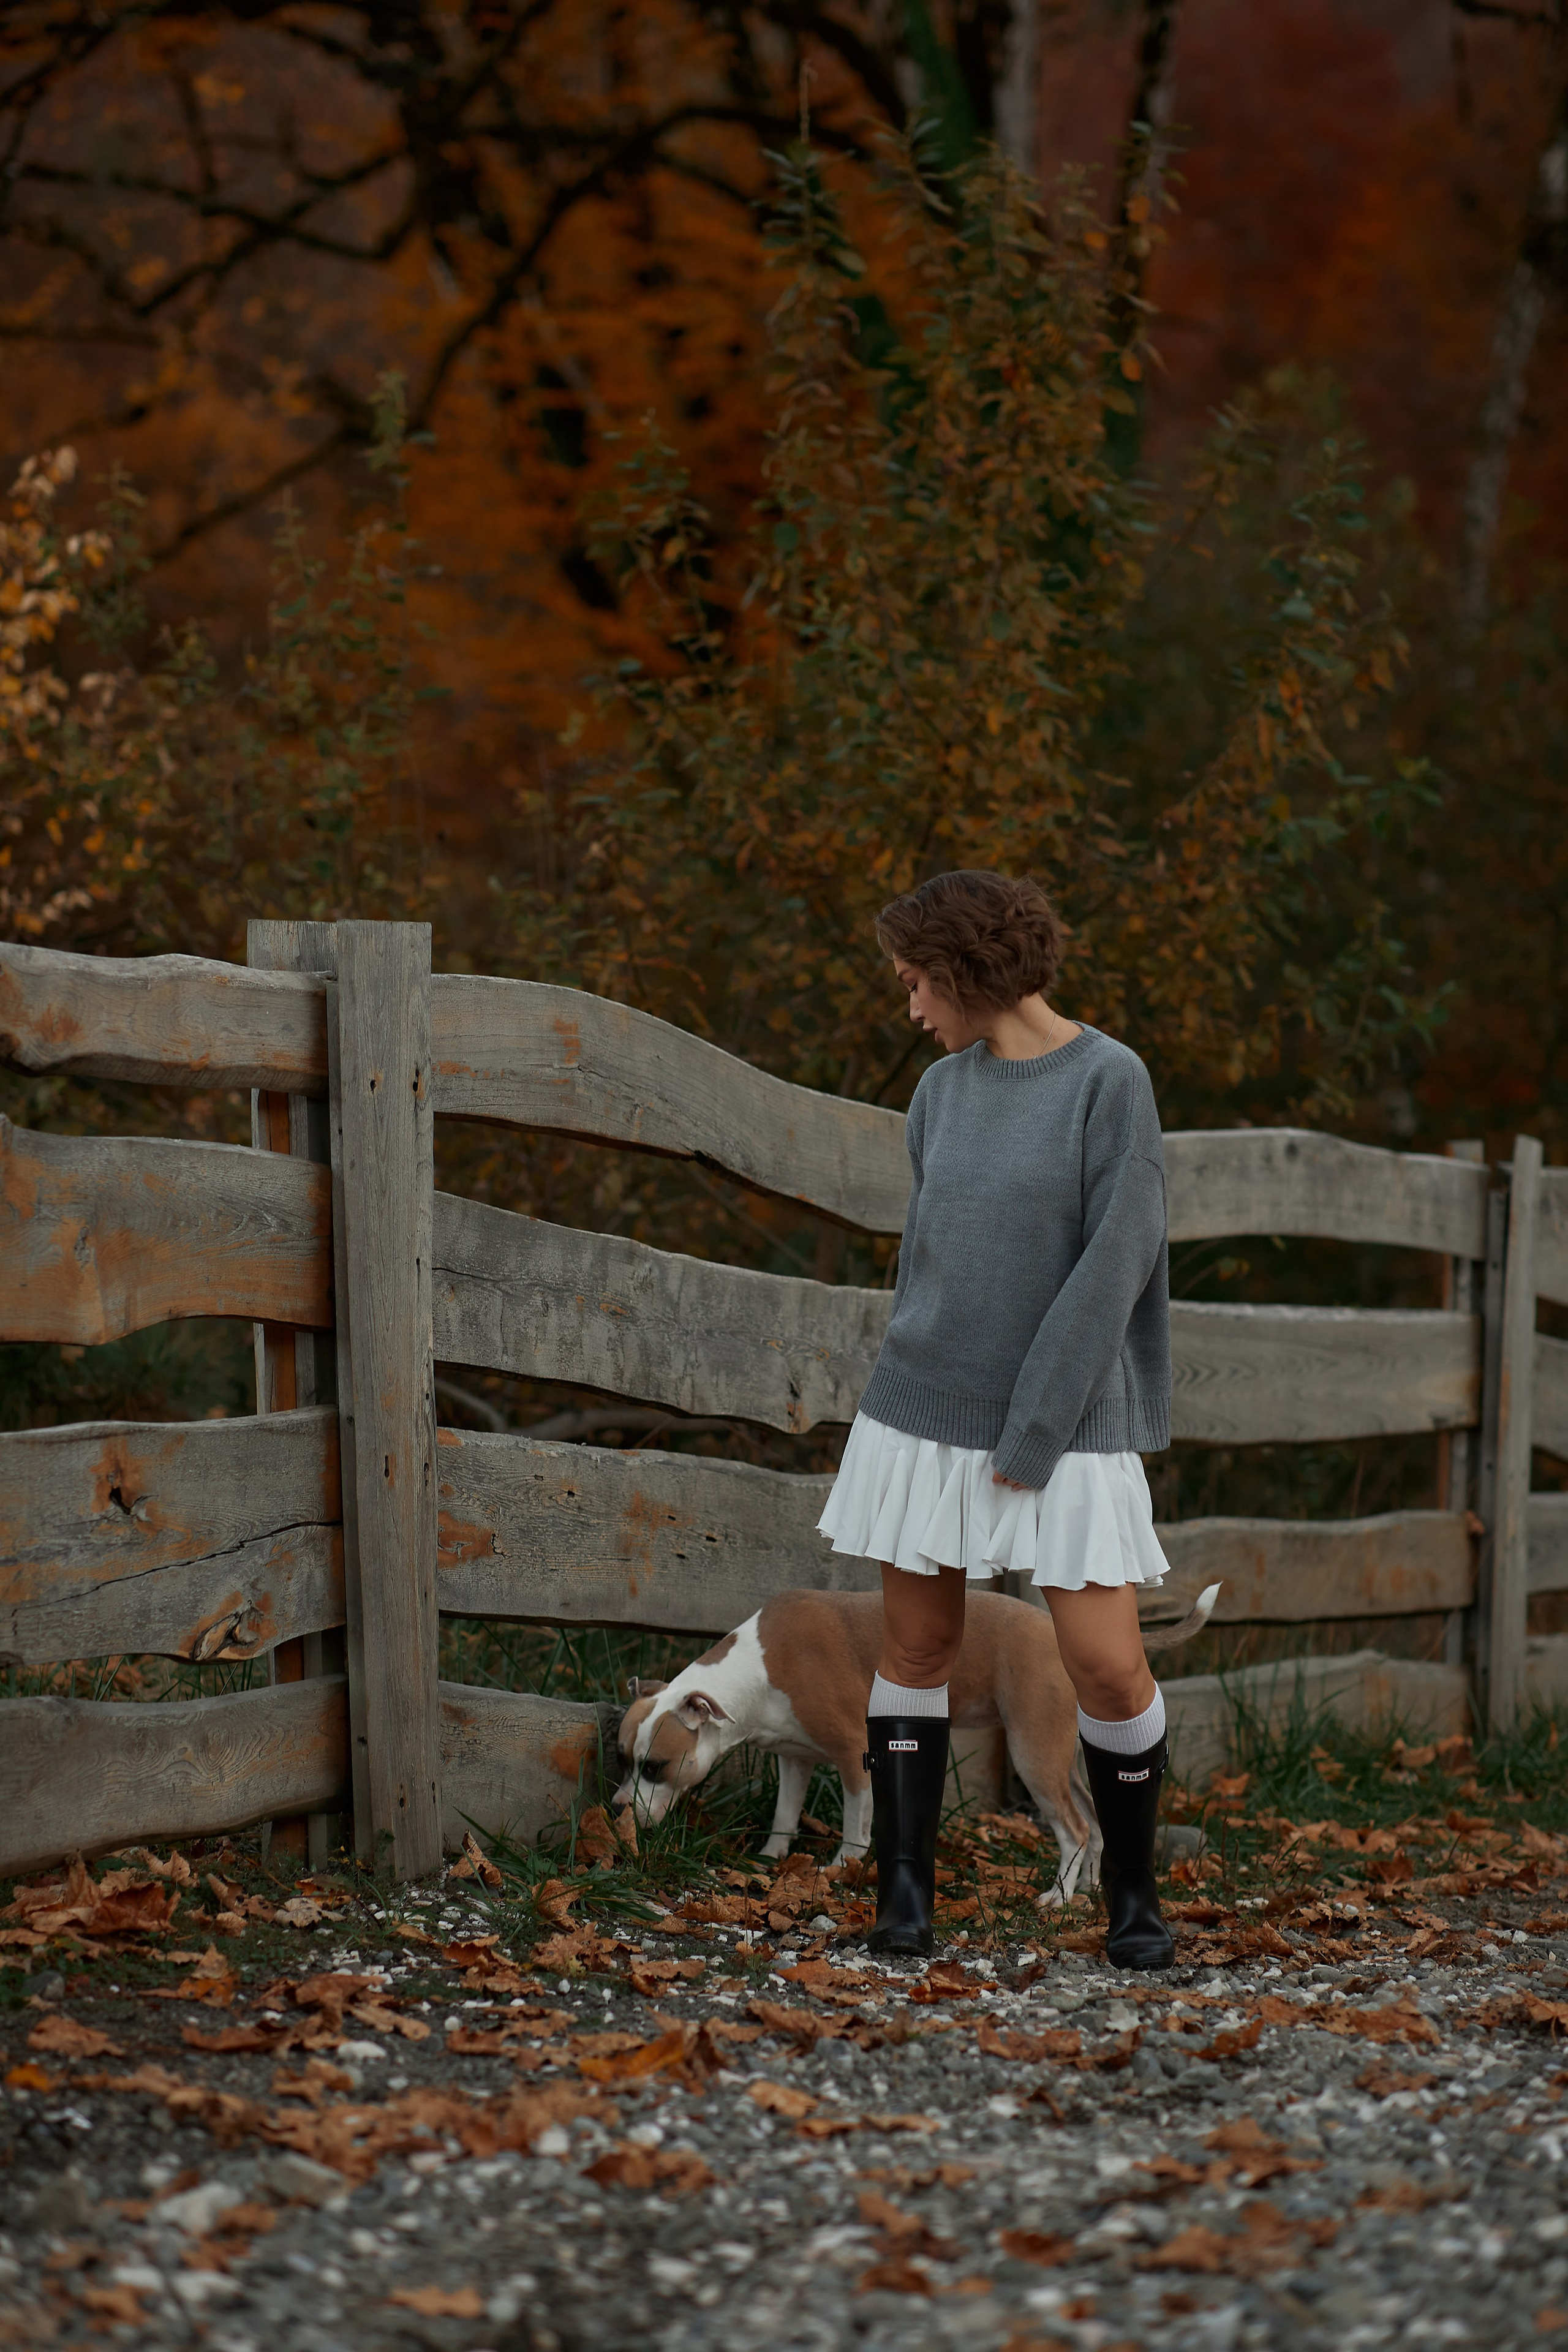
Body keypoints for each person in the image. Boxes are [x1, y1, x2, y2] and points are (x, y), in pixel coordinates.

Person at [817, 869, 1175, 1968]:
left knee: (1107, 1662)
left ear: (969, 972)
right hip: (925, 1411)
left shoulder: (1109, 1082)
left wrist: (1032, 1431)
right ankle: (906, 1900)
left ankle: (1131, 1892)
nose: (912, 1008)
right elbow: (929, 1264)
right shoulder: (940, 1095)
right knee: (917, 1646)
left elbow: (1114, 1267)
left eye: (920, 982)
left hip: (1065, 1422)